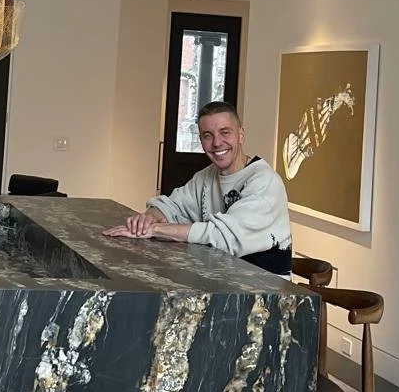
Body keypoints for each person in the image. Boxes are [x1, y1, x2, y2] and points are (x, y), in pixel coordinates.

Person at [104, 100, 292, 274]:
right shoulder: (206, 176)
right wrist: (149, 218)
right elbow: (174, 206)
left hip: (267, 293)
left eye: (225, 132)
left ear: (241, 135)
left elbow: (223, 237)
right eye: (207, 136)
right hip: (222, 280)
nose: (217, 142)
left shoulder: (264, 182)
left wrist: (155, 230)